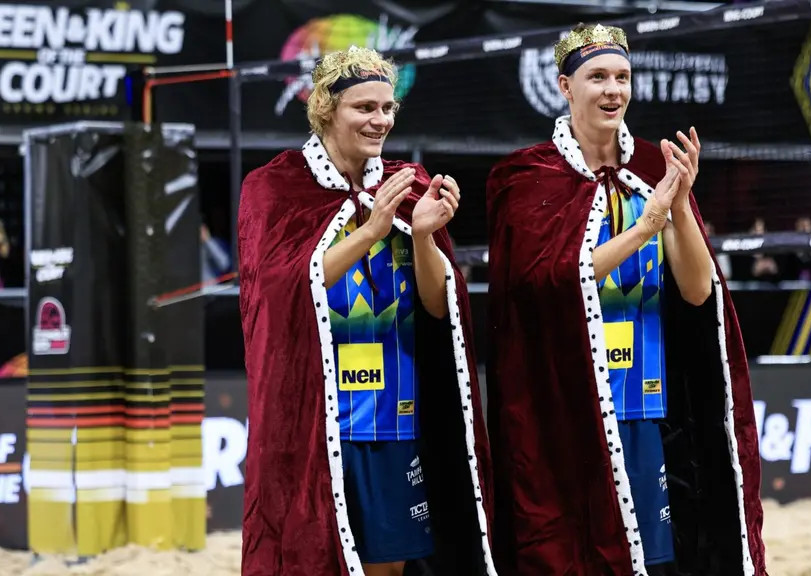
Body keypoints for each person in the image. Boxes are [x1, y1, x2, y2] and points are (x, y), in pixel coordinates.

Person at [485, 24, 766, 576]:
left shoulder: (656, 168)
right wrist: (644, 228)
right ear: (565, 87)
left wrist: (678, 205)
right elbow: (540, 285)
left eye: (622, 77)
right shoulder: (527, 175)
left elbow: (698, 293)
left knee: (653, 562)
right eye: (597, 77)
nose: (613, 90)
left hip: (645, 404)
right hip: (565, 409)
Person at [238, 46, 495, 576]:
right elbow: (278, 292)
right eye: (364, 107)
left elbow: (438, 308)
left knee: (388, 565)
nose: (381, 120)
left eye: (387, 107)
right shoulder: (275, 186)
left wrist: (422, 236)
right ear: (326, 108)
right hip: (314, 418)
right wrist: (372, 230)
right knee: (311, 558)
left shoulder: (409, 185)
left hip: (394, 414)